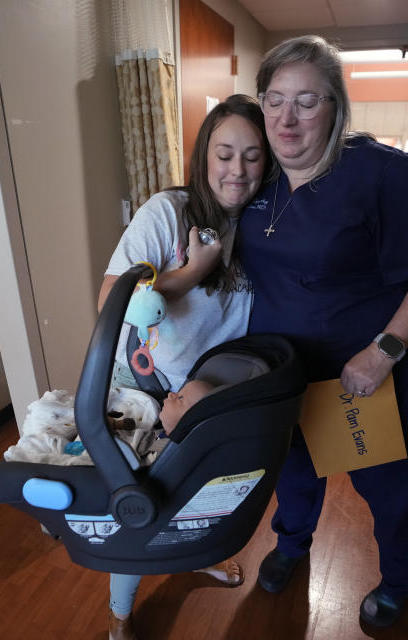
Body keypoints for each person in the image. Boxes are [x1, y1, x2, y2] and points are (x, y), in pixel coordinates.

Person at [237, 35, 408, 629]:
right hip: (288, 375)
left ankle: (398, 581)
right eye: (275, 99)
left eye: (308, 101)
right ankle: (291, 544)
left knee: (392, 489)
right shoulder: (255, 175)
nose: (287, 117)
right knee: (296, 471)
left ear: (336, 108)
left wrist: (383, 352)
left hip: (370, 374)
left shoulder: (376, 173)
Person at [98, 94, 271, 640]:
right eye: (224, 154)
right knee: (141, 504)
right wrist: (194, 270)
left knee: (202, 494)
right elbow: (111, 300)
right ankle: (121, 616)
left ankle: (197, 554)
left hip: (213, 393)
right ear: (203, 158)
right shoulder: (167, 213)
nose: (237, 171)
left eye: (251, 156)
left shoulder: (265, 220)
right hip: (149, 385)